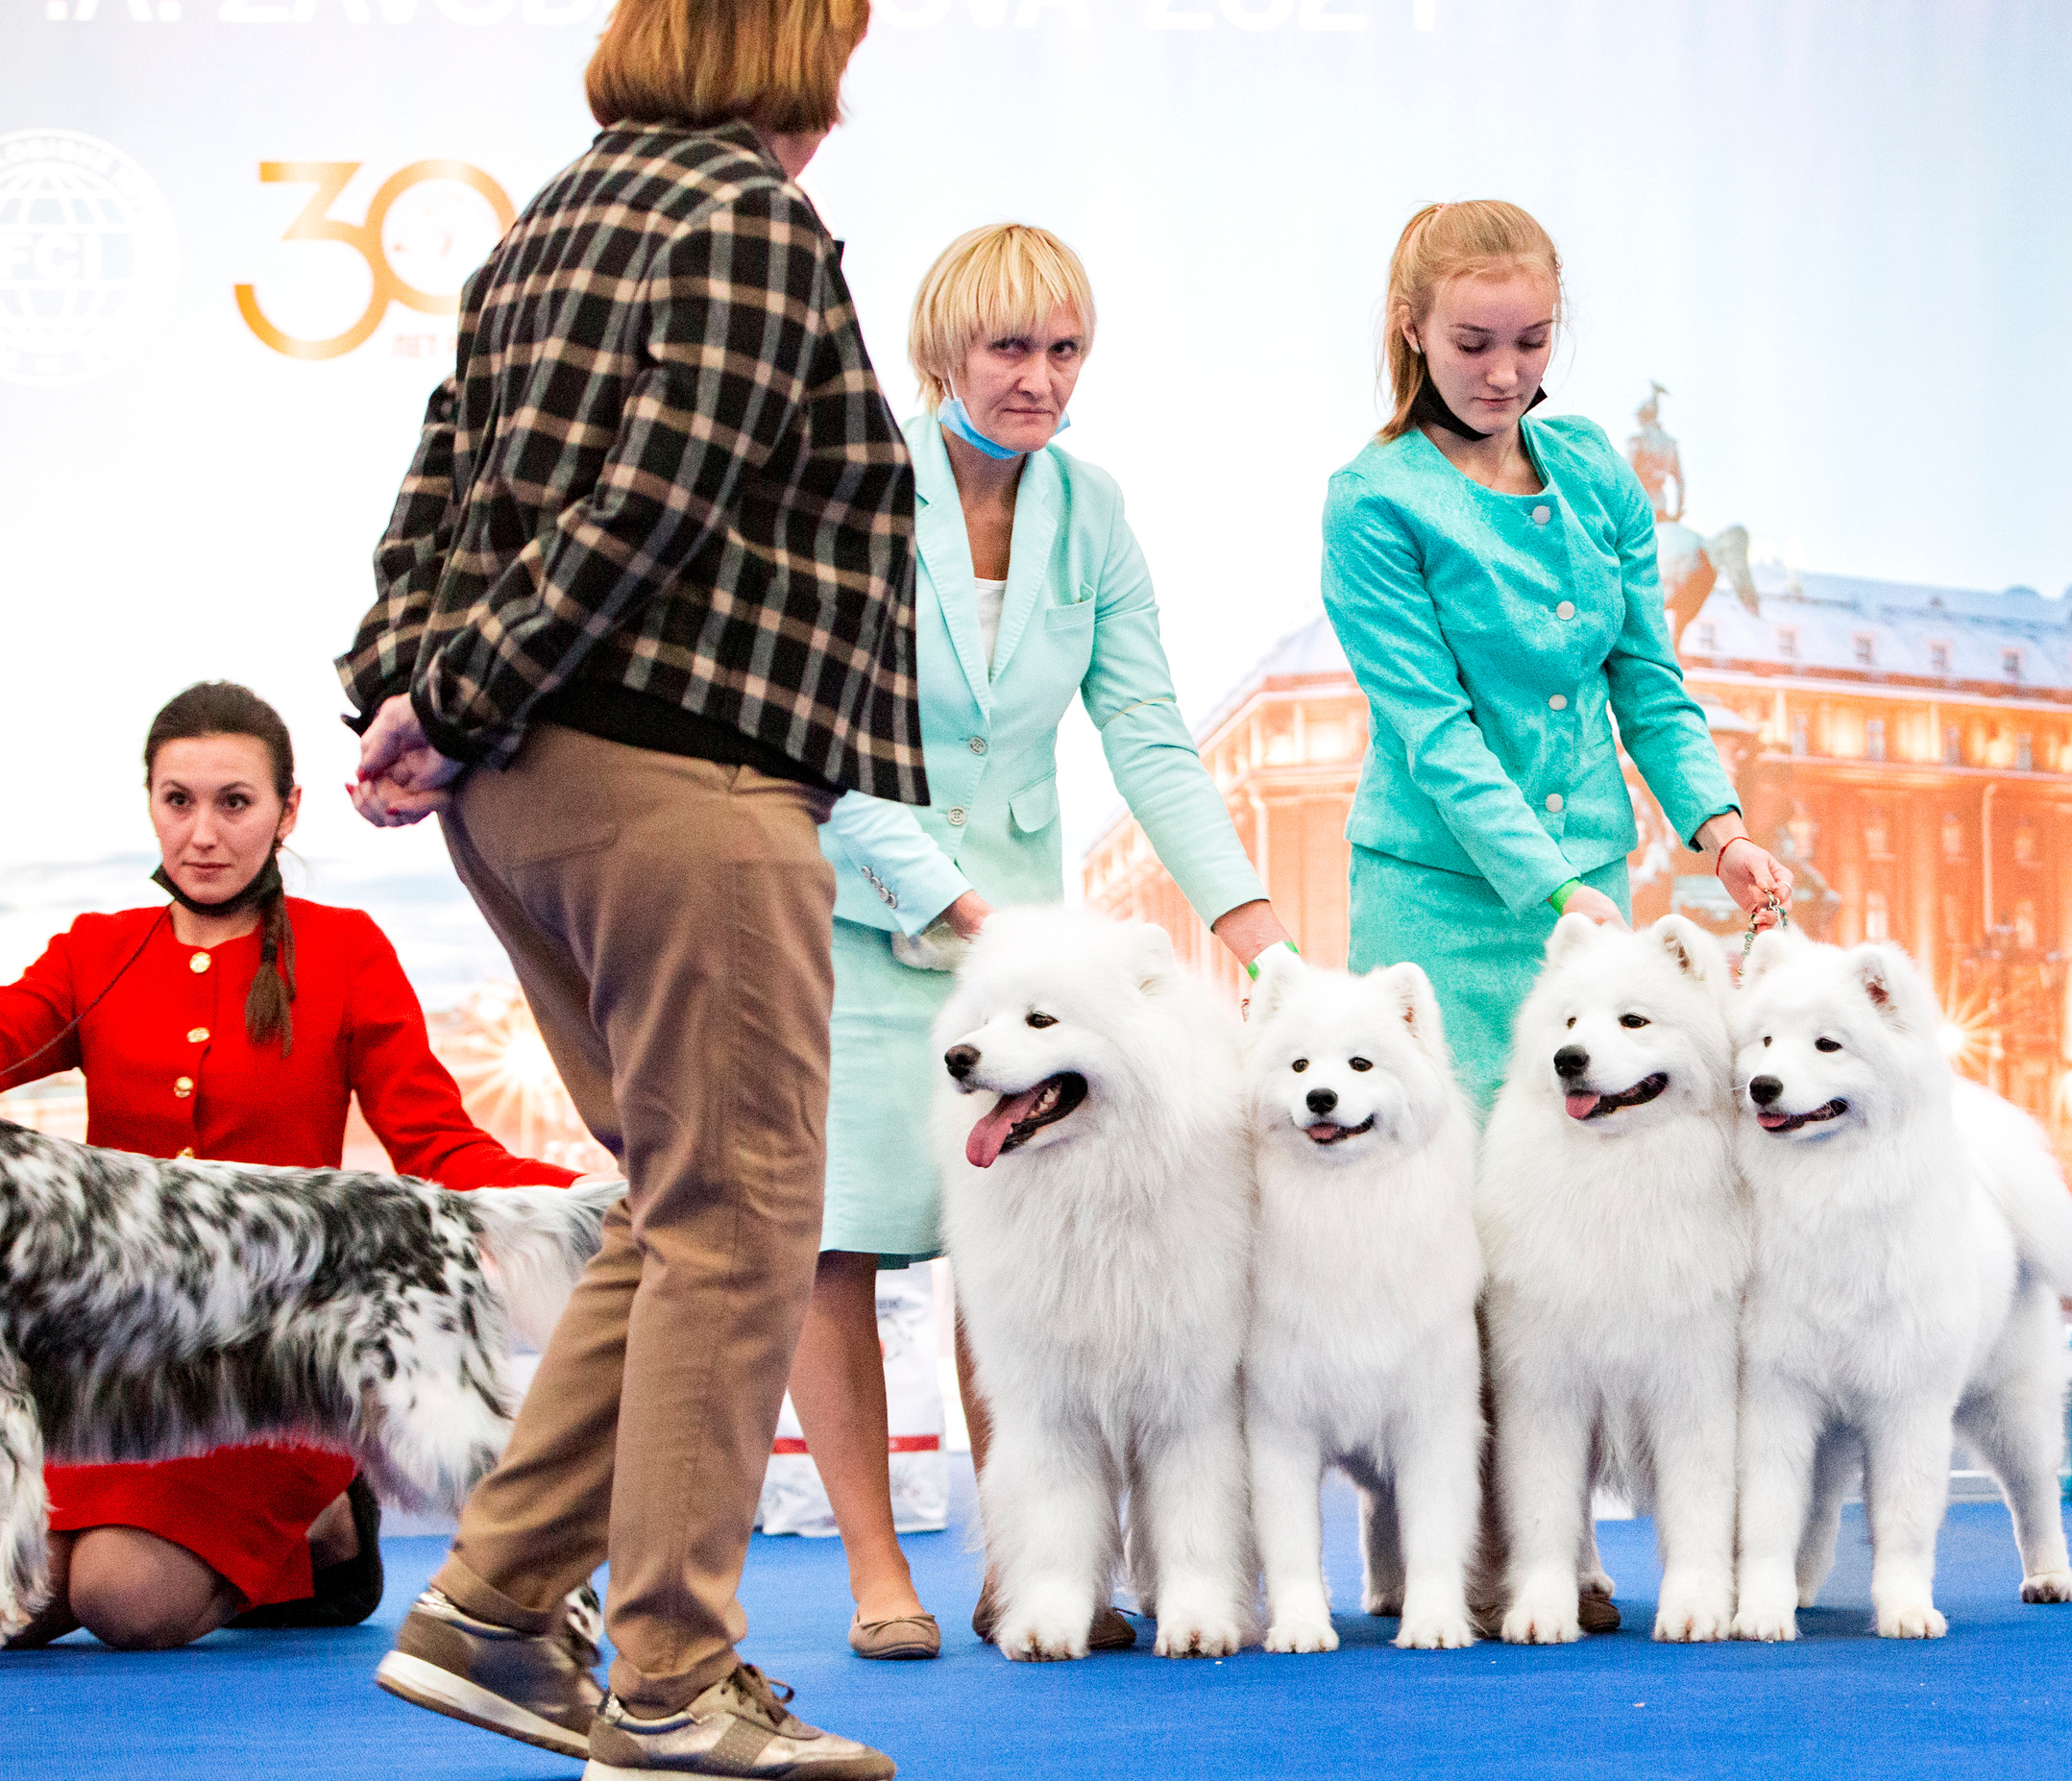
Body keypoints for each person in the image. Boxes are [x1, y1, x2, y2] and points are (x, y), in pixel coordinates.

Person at [341, 3, 916, 1775]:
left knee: (683, 1213)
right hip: (677, 778)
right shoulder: (742, 214)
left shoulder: (550, 219)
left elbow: (436, 489)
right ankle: (671, 1684)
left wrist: (409, 688)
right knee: (739, 1218)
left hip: (533, 789)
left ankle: (496, 1609)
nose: (841, 90)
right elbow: (656, 500)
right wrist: (450, 691)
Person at [778, 223, 1293, 1662]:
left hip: (1021, 938)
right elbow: (814, 736)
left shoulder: (1091, 507)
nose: (1041, 380)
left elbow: (1145, 731)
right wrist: (947, 900)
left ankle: (1026, 1565)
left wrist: (1257, 935)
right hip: (854, 910)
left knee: (1002, 1246)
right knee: (838, 1241)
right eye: (1010, 349)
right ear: (941, 352)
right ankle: (878, 1567)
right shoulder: (849, 486)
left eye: (1065, 351)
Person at [0, 682, 580, 1654]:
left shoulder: (344, 950)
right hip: (126, 1385)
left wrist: (607, 1199)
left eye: (235, 802)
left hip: (276, 1363)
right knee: (34, 1600)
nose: (203, 834)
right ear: (151, 805)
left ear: (287, 810)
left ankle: (331, 1519)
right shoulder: (94, 951)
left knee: (123, 1599)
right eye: (179, 801)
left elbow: (437, 1146)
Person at [1320, 201, 1793, 1111]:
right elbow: (1434, 734)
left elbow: (1649, 683)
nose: (1506, 373)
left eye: (1532, 341)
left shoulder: (1595, 469)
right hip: (1435, 906)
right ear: (1412, 329)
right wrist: (1557, 891)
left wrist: (1722, 833)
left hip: (1592, 893)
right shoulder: (1372, 502)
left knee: (1586, 1165)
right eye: (1472, 344)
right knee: (1443, 1165)